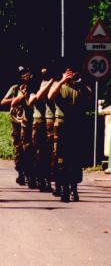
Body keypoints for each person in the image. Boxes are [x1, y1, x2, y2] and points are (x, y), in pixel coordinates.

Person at [48, 66, 92, 202]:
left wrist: (81, 82)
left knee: (75, 159)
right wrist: (62, 81)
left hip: (77, 126)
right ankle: (63, 188)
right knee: (61, 159)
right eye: (67, 72)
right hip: (62, 125)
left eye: (72, 72)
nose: (70, 75)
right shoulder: (59, 86)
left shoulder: (80, 88)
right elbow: (50, 96)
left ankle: (74, 188)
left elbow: (90, 97)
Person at [0, 66, 32, 186]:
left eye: (26, 73)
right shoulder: (14, 88)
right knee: (19, 148)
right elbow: (3, 102)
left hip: (29, 120)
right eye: (22, 73)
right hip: (17, 122)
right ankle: (21, 173)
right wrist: (18, 97)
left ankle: (30, 173)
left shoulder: (32, 86)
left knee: (29, 147)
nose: (24, 75)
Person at [28, 67, 54, 192]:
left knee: (49, 153)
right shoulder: (34, 85)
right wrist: (48, 85)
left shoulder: (55, 84)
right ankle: (38, 178)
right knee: (38, 152)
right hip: (38, 122)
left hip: (49, 121)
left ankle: (48, 180)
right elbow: (36, 97)